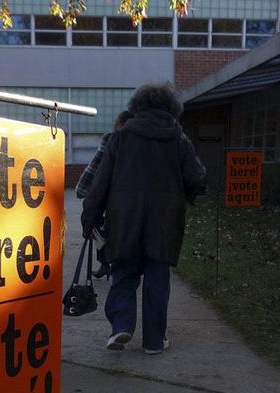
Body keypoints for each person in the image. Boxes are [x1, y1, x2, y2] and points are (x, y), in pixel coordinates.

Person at [81, 82, 207, 354]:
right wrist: (190, 194)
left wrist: (89, 218)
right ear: (172, 108)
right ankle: (154, 341)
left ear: (137, 106)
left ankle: (121, 326)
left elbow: (100, 184)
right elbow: (197, 178)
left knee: (124, 273)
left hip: (124, 220)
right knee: (157, 279)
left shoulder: (120, 139)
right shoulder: (179, 140)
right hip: (165, 222)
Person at [75, 110, 134, 279]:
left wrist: (82, 190)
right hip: (133, 198)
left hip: (111, 194)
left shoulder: (112, 139)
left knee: (98, 225)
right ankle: (106, 263)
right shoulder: (144, 143)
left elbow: (96, 165)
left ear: (120, 124)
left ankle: (107, 262)